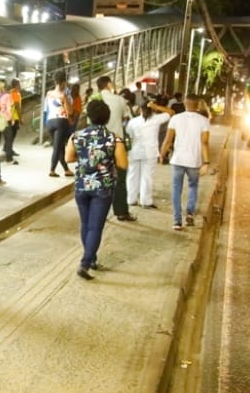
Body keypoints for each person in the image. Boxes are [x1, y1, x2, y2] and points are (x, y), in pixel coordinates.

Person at [66, 99, 128, 280]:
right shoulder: (113, 138)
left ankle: (91, 260)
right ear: (107, 118)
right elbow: (123, 164)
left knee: (85, 224)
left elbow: (69, 158)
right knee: (95, 227)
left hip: (81, 186)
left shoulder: (76, 136)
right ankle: (85, 264)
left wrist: (86, 158)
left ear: (89, 117)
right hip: (103, 187)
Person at [158, 93, 212, 231]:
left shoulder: (176, 118)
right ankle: (190, 213)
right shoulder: (204, 121)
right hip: (194, 161)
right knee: (193, 186)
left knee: (176, 189)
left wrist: (162, 154)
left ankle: (177, 221)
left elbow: (168, 140)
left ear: (184, 103)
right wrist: (206, 163)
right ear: (198, 104)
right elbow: (205, 143)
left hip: (178, 160)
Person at [96, 75, 137, 222]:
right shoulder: (119, 99)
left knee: (100, 178)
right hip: (117, 143)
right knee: (120, 179)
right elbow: (127, 118)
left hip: (99, 143)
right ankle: (121, 212)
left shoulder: (94, 99)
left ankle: (100, 213)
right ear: (108, 84)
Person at [125, 99, 174, 209]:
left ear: (140, 109)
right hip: (150, 153)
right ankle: (145, 201)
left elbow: (129, 138)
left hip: (134, 152)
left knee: (132, 176)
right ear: (152, 110)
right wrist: (156, 106)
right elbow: (171, 112)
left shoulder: (133, 122)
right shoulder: (156, 119)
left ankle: (131, 199)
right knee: (147, 177)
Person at [45, 70, 73, 178]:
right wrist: (68, 103)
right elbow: (69, 112)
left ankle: (66, 169)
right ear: (63, 82)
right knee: (58, 147)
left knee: (60, 147)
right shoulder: (63, 96)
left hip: (50, 121)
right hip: (61, 122)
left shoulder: (49, 93)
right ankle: (52, 169)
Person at [0, 77, 22, 164]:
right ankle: (9, 152)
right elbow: (17, 106)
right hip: (13, 117)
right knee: (11, 136)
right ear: (17, 85)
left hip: (8, 117)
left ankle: (7, 149)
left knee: (9, 136)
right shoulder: (15, 93)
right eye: (19, 84)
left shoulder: (9, 93)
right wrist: (20, 117)